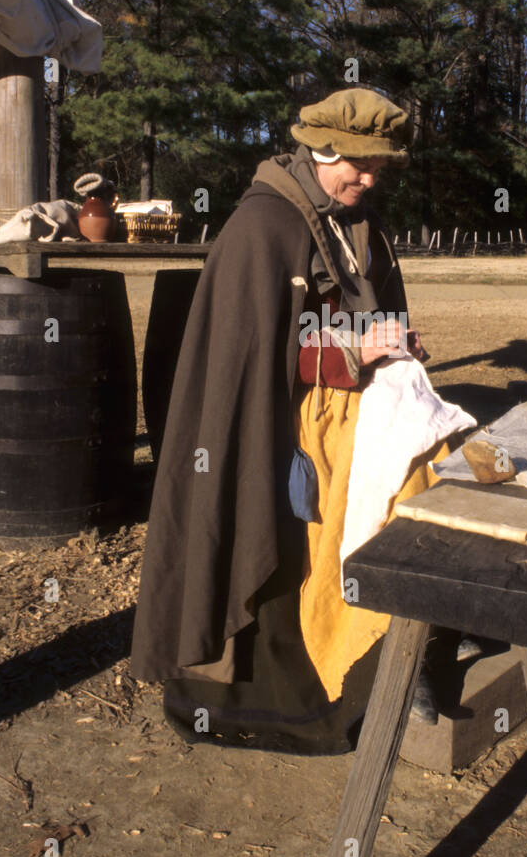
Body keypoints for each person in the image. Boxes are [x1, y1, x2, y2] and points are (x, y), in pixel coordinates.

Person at [129, 87, 462, 753]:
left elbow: (353, 311)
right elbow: (249, 353)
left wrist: (390, 338)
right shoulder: (263, 226)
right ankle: (319, 690)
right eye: (357, 166)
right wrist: (347, 350)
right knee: (359, 518)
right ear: (320, 149)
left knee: (435, 473)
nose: (367, 180)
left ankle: (398, 652)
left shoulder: (352, 218)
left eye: (378, 167)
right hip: (279, 427)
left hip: (348, 412)